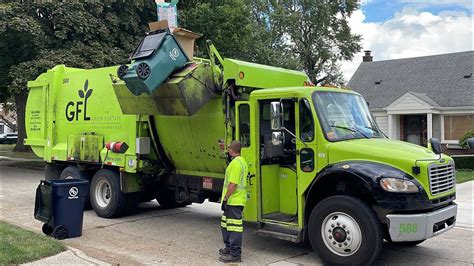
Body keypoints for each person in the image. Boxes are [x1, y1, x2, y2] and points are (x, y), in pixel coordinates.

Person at [219, 140, 248, 263]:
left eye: (229, 148)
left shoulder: (236, 164)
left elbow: (233, 184)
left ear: (232, 150)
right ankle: (229, 248)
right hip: (235, 200)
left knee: (234, 228)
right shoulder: (241, 161)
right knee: (226, 224)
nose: (228, 149)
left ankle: (235, 255)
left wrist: (225, 198)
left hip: (234, 200)